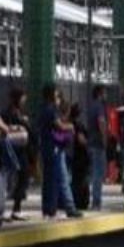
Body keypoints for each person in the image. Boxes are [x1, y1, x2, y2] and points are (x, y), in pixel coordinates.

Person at [38, 84, 81, 219]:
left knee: (50, 179)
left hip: (46, 147)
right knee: (58, 179)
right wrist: (70, 126)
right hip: (54, 148)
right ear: (52, 96)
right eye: (56, 95)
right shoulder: (51, 110)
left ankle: (49, 209)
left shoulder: (43, 109)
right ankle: (61, 208)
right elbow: (59, 126)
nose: (58, 98)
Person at [2, 88, 32, 221]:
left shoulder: (7, 112)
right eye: (23, 98)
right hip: (18, 150)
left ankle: (9, 209)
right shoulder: (16, 114)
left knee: (10, 180)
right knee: (21, 178)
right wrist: (24, 123)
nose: (24, 101)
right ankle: (16, 209)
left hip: (10, 149)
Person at [85, 85, 109, 211]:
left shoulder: (91, 106)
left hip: (91, 143)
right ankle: (96, 201)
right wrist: (105, 139)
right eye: (105, 93)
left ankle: (95, 200)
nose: (106, 96)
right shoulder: (99, 107)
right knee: (98, 174)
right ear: (100, 93)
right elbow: (101, 122)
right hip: (98, 144)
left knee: (95, 172)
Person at [68, 103, 91, 212]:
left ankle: (75, 200)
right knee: (81, 180)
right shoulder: (78, 125)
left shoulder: (69, 123)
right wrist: (88, 144)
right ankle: (82, 202)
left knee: (75, 180)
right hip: (81, 155)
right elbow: (81, 140)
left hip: (73, 155)